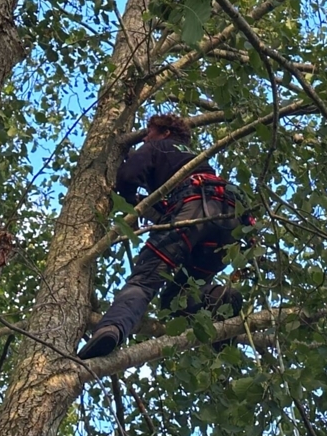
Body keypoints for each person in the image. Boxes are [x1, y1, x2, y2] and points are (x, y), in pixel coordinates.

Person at [77, 114, 253, 360]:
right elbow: (170, 206)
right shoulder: (190, 157)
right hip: (230, 224)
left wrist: (130, 204)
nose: (145, 137)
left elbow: (127, 177)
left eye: (149, 132)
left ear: (166, 132)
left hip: (194, 208)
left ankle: (111, 329)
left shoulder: (158, 146)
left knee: (144, 280)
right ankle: (218, 299)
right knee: (176, 299)